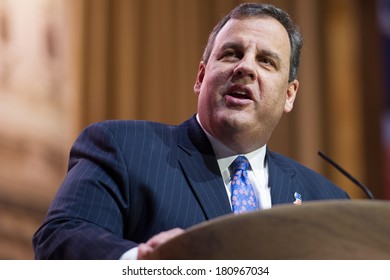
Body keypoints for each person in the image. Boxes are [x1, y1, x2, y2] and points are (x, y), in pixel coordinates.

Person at [32, 2, 349, 260]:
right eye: (232, 53)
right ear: (201, 76)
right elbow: (59, 238)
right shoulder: (122, 149)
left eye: (266, 61)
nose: (245, 67)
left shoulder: (327, 199)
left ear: (290, 94)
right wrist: (140, 262)